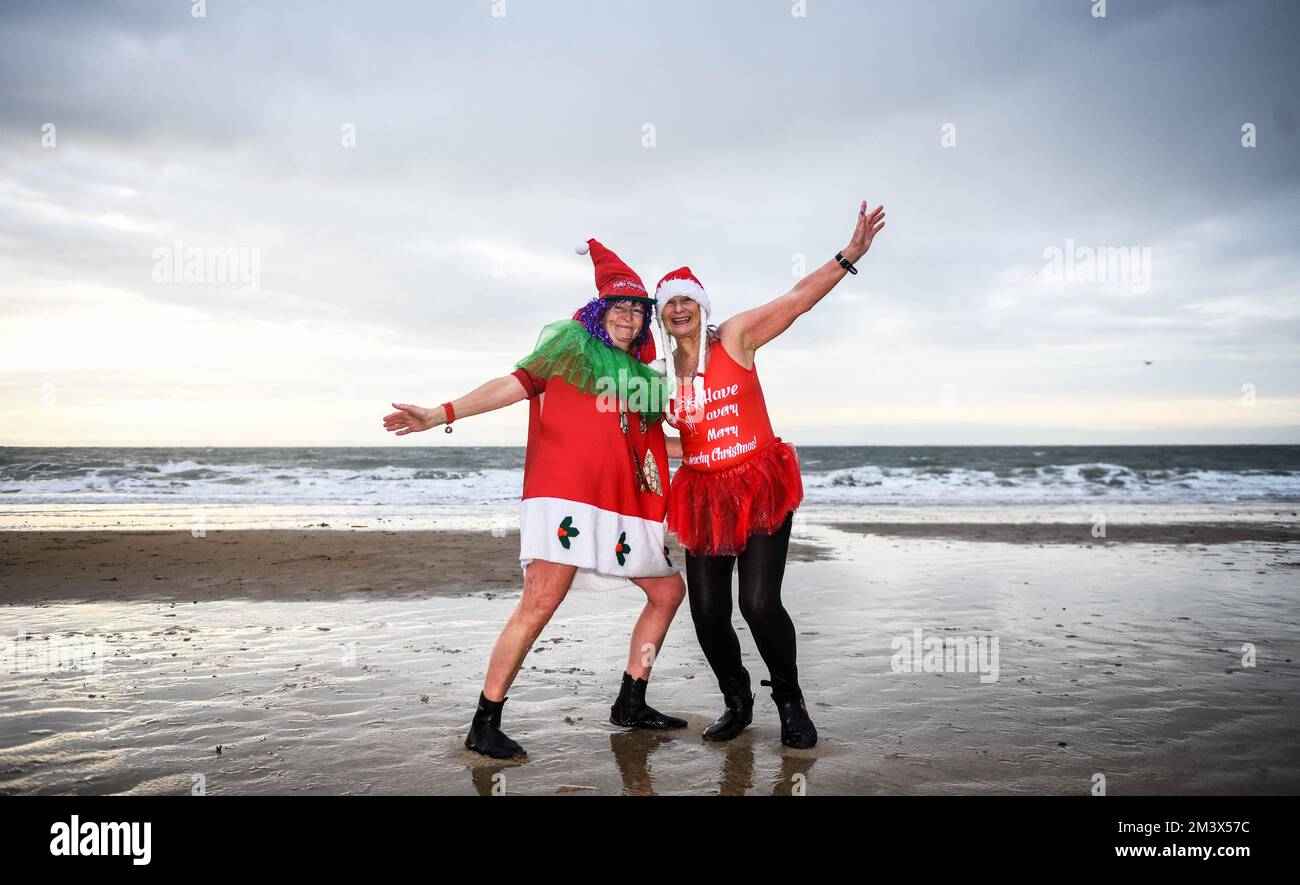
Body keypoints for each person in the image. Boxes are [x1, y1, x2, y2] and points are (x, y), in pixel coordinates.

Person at [383, 239, 689, 759]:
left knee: (667, 592)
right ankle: (485, 722)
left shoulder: (641, 380)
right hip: (566, 501)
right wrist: (440, 413)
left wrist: (730, 451)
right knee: (540, 604)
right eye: (620, 306)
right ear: (599, 311)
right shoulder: (568, 348)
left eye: (639, 310)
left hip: (619, 509)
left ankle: (630, 702)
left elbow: (660, 447)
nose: (630, 317)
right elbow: (511, 385)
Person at [655, 200, 886, 748]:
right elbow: (663, 436)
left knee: (757, 603)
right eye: (670, 304)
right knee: (708, 614)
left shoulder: (734, 337)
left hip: (758, 484)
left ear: (703, 307)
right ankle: (737, 701)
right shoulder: (660, 374)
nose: (680, 309)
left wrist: (848, 255)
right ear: (661, 316)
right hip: (704, 494)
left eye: (688, 299)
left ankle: (790, 699)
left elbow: (797, 300)